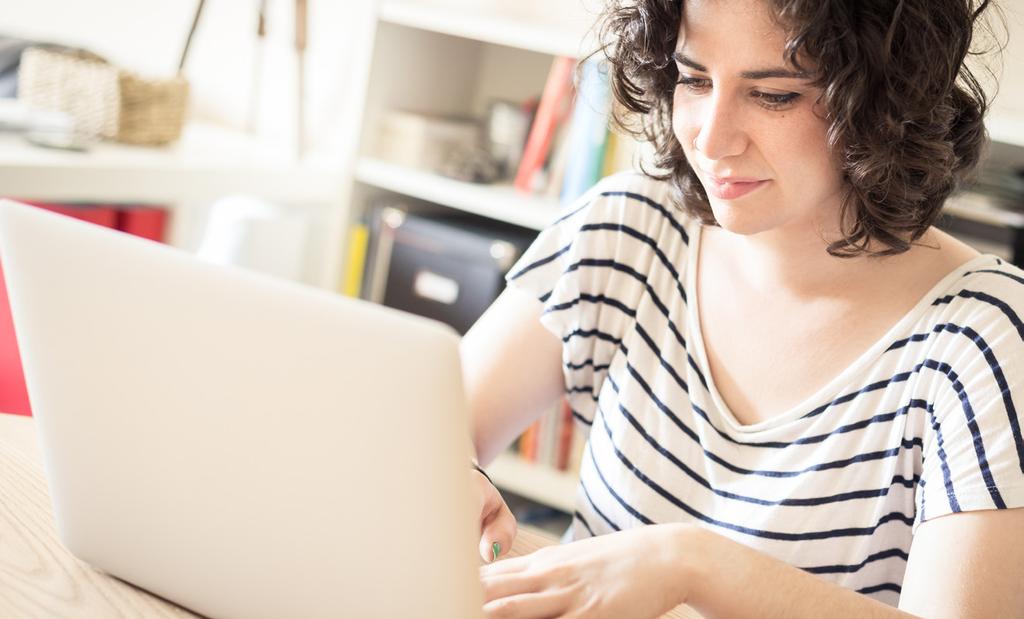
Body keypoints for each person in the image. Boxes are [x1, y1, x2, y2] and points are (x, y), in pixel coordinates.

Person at [462, 0, 1024, 617]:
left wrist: (694, 566)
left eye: (774, 95)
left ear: (885, 104)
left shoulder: (984, 339)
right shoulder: (631, 227)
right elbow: (431, 432)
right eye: (695, 80)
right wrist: (456, 479)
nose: (711, 135)